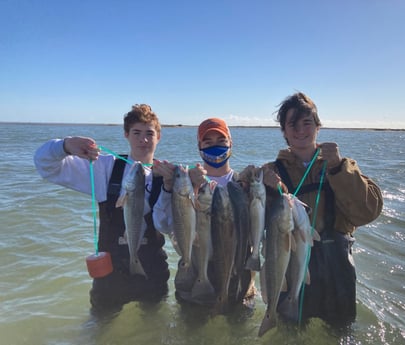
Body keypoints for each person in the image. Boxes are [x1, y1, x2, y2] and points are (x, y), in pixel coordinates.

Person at [252, 92, 383, 327]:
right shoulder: (271, 171)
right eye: (292, 124)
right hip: (288, 264)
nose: (301, 130)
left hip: (336, 268)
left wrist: (339, 169)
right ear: (283, 131)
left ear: (318, 127)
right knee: (289, 332)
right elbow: (245, 210)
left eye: (307, 123)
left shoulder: (343, 166)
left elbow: (368, 212)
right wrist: (255, 180)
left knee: (340, 331)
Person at [34, 104, 170, 313]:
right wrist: (66, 145)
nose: (143, 139)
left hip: (153, 269)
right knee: (100, 325)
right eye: (136, 133)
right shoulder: (105, 167)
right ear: (126, 134)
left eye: (149, 133)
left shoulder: (168, 175)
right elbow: (46, 166)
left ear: (158, 137)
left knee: (153, 328)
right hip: (110, 271)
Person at [153, 118, 255, 308]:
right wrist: (169, 187)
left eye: (221, 141)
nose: (215, 146)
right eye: (208, 142)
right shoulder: (186, 183)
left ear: (231, 143)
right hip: (195, 277)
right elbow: (162, 224)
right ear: (199, 146)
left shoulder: (244, 184)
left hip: (238, 276)